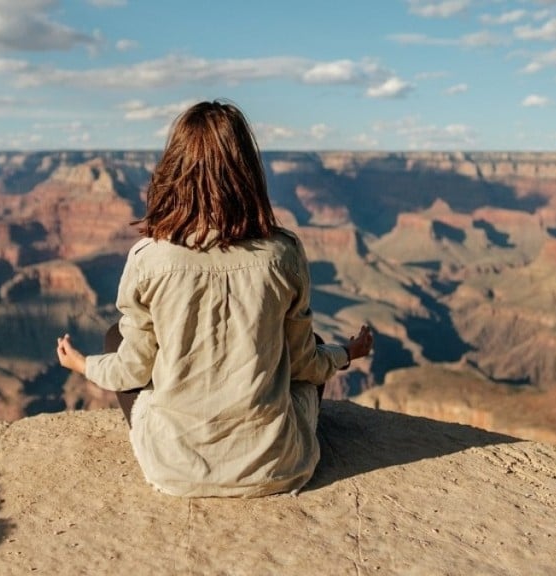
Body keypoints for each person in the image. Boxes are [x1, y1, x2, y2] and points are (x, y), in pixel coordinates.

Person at [56, 99, 373, 498]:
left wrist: (83, 365)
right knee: (309, 343)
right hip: (277, 467)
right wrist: (346, 353)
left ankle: (181, 445)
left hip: (174, 470)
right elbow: (307, 366)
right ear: (247, 172)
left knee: (114, 340)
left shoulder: (147, 258)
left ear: (174, 169)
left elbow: (133, 371)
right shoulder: (283, 253)